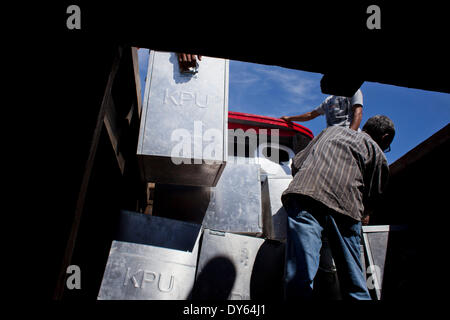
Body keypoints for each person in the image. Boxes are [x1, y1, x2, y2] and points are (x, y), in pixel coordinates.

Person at [281, 115, 395, 300]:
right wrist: (364, 215)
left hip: (305, 195)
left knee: (300, 273)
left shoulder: (330, 131)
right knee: (354, 281)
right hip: (345, 207)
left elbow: (297, 163)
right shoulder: (376, 152)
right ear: (385, 138)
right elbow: (374, 197)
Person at [280, 89, 363, 131]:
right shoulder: (328, 100)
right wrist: (289, 118)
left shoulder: (353, 91)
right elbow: (310, 115)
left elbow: (358, 112)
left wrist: (351, 135)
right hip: (330, 137)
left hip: (347, 133)